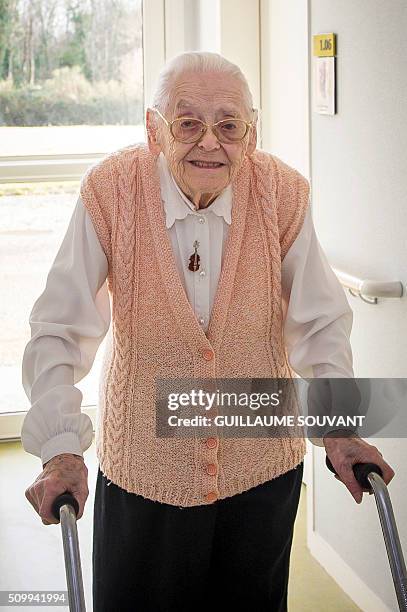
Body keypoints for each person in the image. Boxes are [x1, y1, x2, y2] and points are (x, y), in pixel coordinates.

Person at [21, 52, 395, 612]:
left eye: (228, 124)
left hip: (262, 467)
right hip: (145, 469)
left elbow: (321, 321)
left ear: (251, 131)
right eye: (187, 122)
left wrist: (338, 426)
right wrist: (59, 447)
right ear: (154, 130)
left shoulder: (282, 193)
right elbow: (60, 327)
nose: (209, 143)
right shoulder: (111, 191)